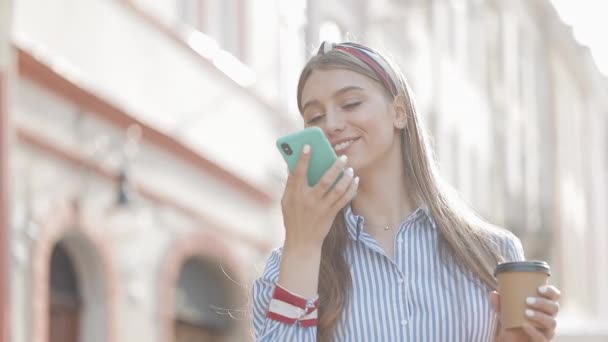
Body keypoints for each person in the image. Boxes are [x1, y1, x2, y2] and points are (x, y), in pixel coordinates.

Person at [252, 41, 561, 341]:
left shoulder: (495, 252)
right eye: (315, 116)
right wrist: (303, 247)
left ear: (399, 111)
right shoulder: (288, 264)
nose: (331, 124)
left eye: (351, 104)